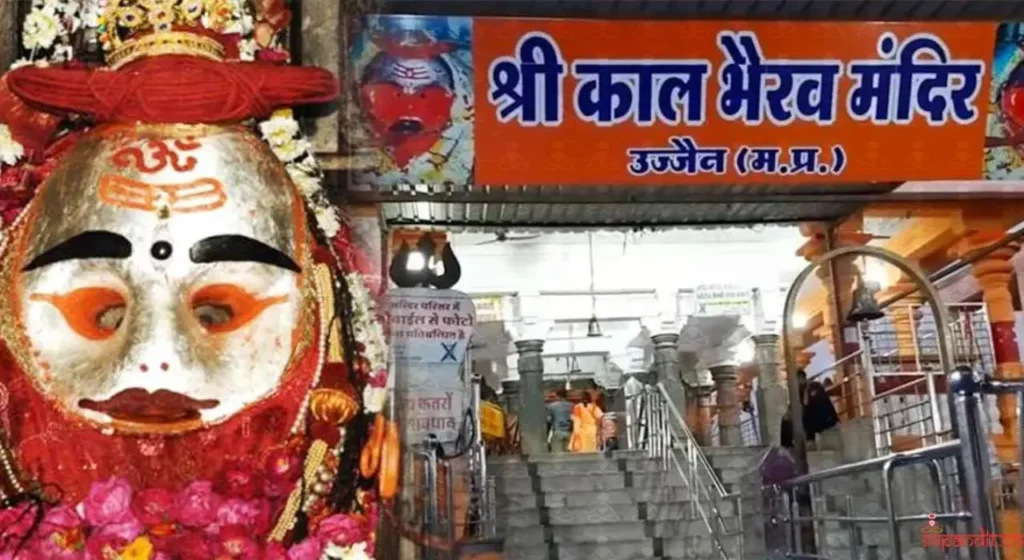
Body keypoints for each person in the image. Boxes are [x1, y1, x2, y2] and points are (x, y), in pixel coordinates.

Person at [780, 369, 840, 448]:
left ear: (801, 378)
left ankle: (809, 440)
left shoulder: (814, 386)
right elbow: (794, 408)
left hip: (826, 420)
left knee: (806, 415)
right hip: (812, 421)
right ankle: (787, 447)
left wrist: (801, 409)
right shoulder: (799, 392)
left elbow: (814, 405)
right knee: (786, 421)